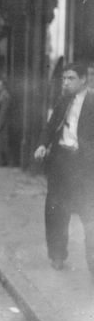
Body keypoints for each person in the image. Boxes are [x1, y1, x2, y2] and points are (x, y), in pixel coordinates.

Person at [34, 62, 94, 275]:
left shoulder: (92, 102)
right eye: (64, 78)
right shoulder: (62, 101)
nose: (66, 83)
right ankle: (57, 255)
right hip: (61, 163)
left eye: (71, 79)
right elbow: (50, 127)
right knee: (56, 211)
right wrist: (42, 144)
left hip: (84, 167)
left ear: (83, 80)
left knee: (89, 215)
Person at [0, 79, 12, 166]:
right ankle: (0, 160)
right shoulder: (2, 95)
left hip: (1, 122)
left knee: (0, 142)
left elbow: (3, 111)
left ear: (4, 86)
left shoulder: (5, 96)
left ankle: (1, 161)